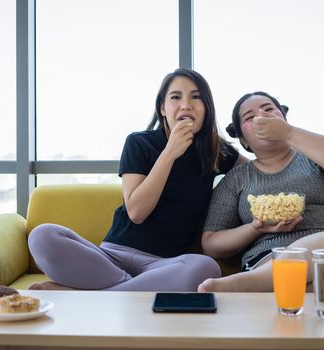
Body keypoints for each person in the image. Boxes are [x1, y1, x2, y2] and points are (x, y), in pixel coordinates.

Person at [28, 68, 246, 291]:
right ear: (162, 108)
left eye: (196, 97)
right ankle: (127, 292)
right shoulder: (139, 142)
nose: (186, 104)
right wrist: (170, 153)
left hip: (163, 265)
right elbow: (137, 212)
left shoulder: (216, 151)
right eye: (175, 97)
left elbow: (258, 169)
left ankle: (93, 295)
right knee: (42, 236)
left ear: (207, 108)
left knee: (206, 267)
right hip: (111, 256)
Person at [197, 91, 324, 293]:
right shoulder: (237, 179)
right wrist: (255, 228)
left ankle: (249, 284)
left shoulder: (315, 157)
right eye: (250, 117)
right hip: (271, 261)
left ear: (284, 119)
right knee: (312, 290)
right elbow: (211, 243)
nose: (262, 116)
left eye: (269, 109)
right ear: (243, 140)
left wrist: (289, 133)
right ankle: (265, 281)